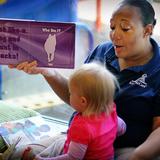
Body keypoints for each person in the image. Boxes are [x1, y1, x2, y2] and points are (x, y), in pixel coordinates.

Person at [9, 0, 160, 159]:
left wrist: (138, 156)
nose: (115, 34)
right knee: (19, 153)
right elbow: (80, 99)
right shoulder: (103, 51)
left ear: (147, 30)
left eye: (125, 28)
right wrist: (48, 72)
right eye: (112, 27)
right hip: (77, 141)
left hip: (122, 151)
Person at [21, 63, 126, 160]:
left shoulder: (82, 127)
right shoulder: (110, 112)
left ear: (83, 101)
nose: (69, 95)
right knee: (59, 143)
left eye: (70, 93)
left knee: (54, 147)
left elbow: (72, 158)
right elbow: (122, 128)